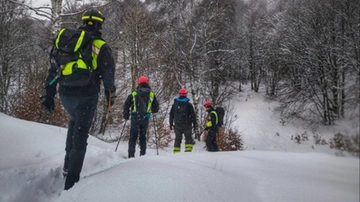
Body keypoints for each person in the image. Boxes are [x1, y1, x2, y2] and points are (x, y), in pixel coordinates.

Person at [41, 8, 116, 190]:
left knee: (74, 123)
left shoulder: (66, 40)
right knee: (80, 135)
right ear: (99, 24)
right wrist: (109, 97)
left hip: (65, 93)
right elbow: (108, 74)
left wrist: (49, 95)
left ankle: (67, 167)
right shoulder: (99, 45)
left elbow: (53, 69)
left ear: (83, 22)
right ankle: (72, 182)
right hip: (86, 95)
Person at [123, 76, 159, 158]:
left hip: (135, 117)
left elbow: (126, 105)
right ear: (147, 83)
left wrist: (126, 115)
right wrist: (151, 110)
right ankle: (143, 155)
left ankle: (131, 155)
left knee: (133, 137)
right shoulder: (151, 94)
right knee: (143, 137)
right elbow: (156, 108)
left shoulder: (134, 93)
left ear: (139, 83)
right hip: (145, 118)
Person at [169, 88, 197, 153]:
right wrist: (195, 124)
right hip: (187, 125)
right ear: (186, 94)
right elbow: (193, 115)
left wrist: (171, 123)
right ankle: (188, 151)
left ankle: (176, 152)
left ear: (179, 94)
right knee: (188, 138)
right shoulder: (189, 105)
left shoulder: (175, 104)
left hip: (177, 124)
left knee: (178, 138)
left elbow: (171, 114)